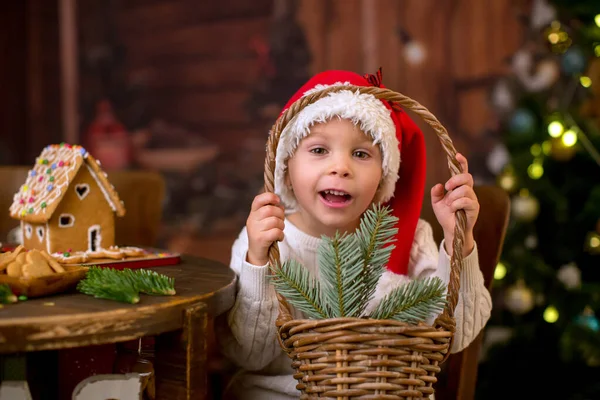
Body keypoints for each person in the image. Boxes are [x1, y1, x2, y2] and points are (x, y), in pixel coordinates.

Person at [217, 70, 492, 399]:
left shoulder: (404, 237)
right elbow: (250, 354)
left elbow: (455, 334)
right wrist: (258, 264)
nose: (341, 167)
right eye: (319, 150)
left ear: (383, 177)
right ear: (286, 170)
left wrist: (457, 241)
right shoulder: (266, 238)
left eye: (361, 154)